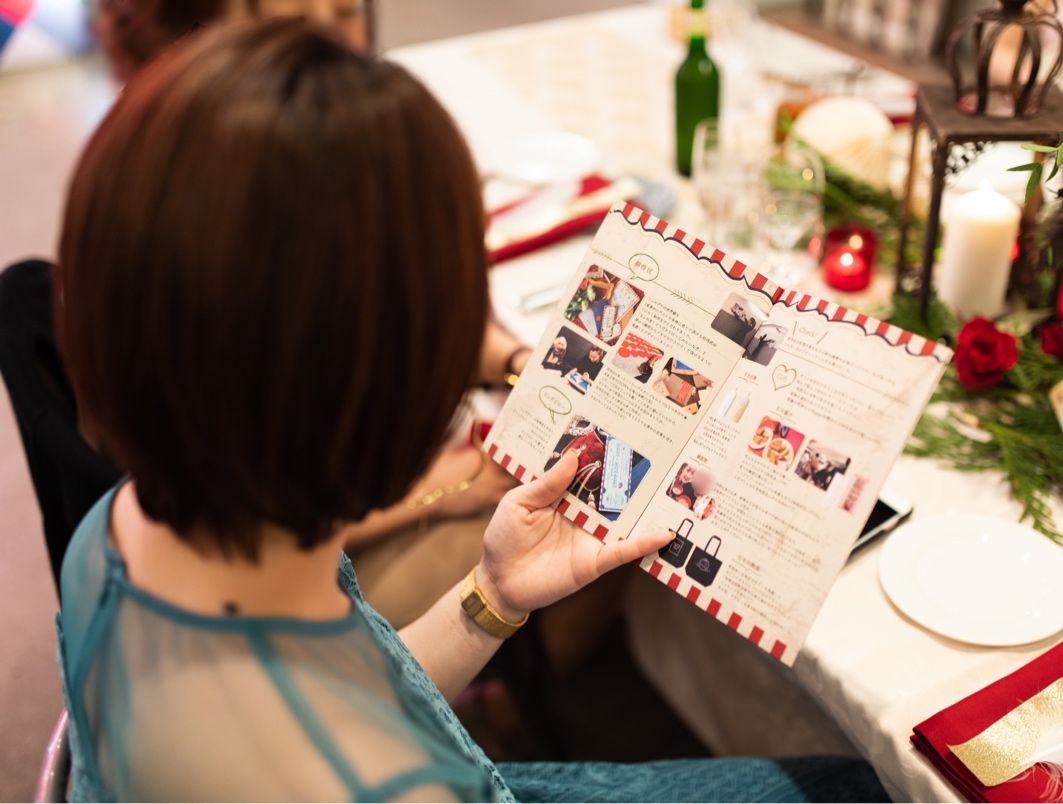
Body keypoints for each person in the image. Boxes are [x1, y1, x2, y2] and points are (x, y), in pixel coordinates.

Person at [55, 26, 893, 800]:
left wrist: (490, 595)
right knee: (853, 787)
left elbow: (354, 690)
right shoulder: (384, 784)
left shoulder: (119, 531)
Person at [0, 0, 531, 619]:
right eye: (295, 19)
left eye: (343, 13)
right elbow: (267, 491)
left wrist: (508, 360)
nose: (330, 39)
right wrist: (449, 487)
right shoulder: (251, 229)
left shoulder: (165, 179)